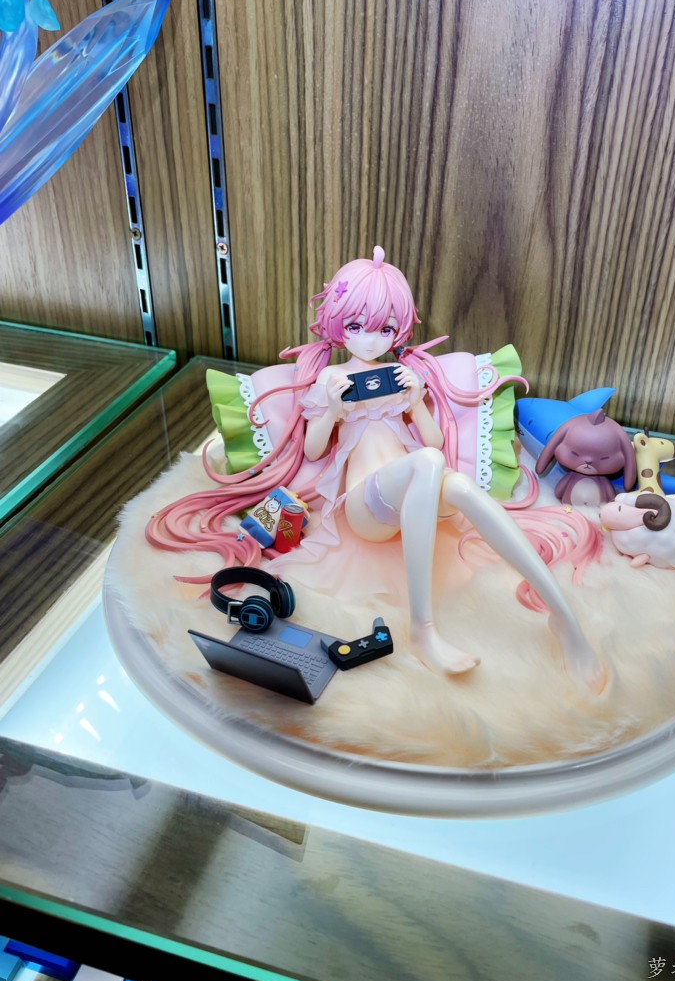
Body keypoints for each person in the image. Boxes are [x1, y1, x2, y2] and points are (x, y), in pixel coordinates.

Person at [148, 247, 605, 691]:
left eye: (385, 329)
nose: (371, 340)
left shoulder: (398, 378)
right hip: (366, 506)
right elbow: (313, 451)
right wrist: (331, 408)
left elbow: (434, 442)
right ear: (338, 326)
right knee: (429, 463)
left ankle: (565, 620)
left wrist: (416, 399)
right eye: (356, 326)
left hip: (418, 490)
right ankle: (423, 630)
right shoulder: (330, 379)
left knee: (462, 486)